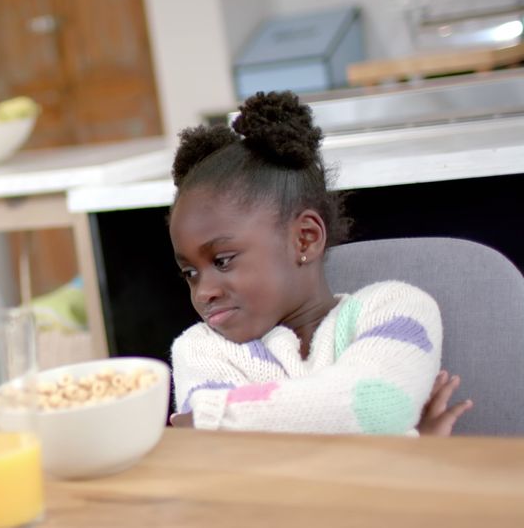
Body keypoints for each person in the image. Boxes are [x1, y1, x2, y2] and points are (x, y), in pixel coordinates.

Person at [167, 91, 472, 434]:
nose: (203, 291)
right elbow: (232, 468)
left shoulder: (396, 307)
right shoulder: (200, 348)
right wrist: (397, 441)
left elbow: (374, 406)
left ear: (305, 239)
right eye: (191, 273)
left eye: (222, 261)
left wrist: (213, 417)